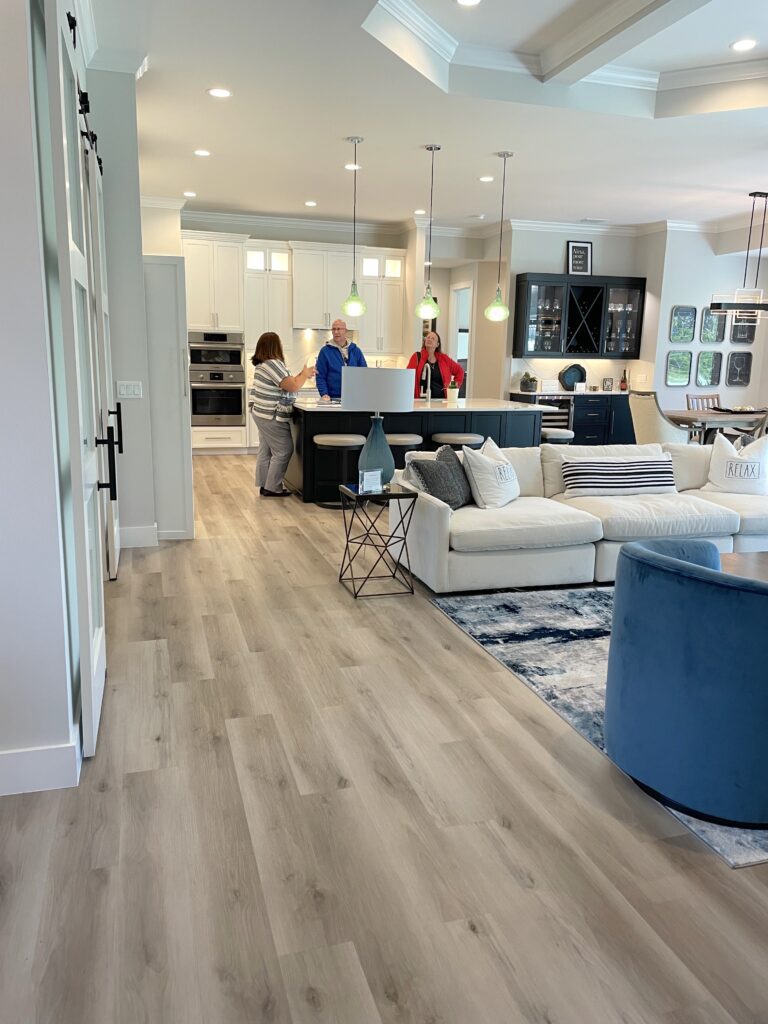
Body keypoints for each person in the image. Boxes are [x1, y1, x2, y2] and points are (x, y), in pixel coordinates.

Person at [249, 332, 315, 497]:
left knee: (266, 450)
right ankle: (273, 487)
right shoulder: (273, 363)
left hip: (261, 413)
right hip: (270, 415)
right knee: (284, 450)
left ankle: (265, 485)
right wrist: (305, 375)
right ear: (276, 346)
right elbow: (292, 386)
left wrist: (302, 374)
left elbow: (289, 381)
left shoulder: (263, 364)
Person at [315, 318, 367, 401]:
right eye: (334, 329)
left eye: (339, 329)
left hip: (354, 397)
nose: (336, 332)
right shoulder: (325, 351)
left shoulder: (356, 350)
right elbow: (320, 376)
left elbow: (364, 374)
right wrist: (324, 394)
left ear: (345, 331)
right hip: (332, 398)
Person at [407, 331, 465, 399]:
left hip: (441, 401)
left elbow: (460, 371)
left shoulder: (444, 359)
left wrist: (453, 388)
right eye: (428, 337)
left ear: (437, 344)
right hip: (421, 400)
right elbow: (408, 377)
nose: (429, 339)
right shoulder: (416, 357)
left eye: (433, 338)